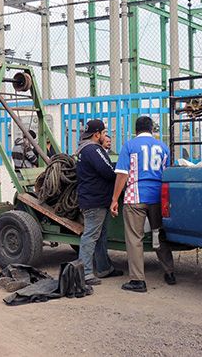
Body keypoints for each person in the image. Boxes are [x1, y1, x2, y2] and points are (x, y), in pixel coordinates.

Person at [110, 116, 175, 293]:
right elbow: (168, 172)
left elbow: (122, 174)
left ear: (136, 129)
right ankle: (169, 272)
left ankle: (138, 280)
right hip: (157, 197)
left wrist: (115, 199)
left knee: (134, 239)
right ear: (152, 129)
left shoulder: (130, 146)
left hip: (135, 197)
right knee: (158, 234)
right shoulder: (162, 147)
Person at [76, 119, 123, 285]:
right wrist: (123, 171)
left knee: (101, 236)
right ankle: (85, 274)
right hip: (94, 201)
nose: (105, 136)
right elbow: (108, 171)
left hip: (94, 199)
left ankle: (103, 268)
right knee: (90, 236)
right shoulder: (93, 149)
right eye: (104, 133)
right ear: (97, 135)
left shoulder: (84, 149)